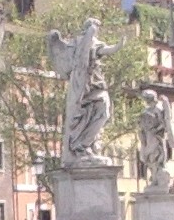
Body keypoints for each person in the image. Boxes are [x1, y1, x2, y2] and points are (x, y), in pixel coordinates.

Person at [47, 18, 124, 165]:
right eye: (97, 27)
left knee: (104, 111)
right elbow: (72, 62)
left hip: (95, 83)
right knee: (91, 112)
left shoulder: (92, 42)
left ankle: (86, 145)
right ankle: (81, 147)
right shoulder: (78, 43)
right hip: (82, 84)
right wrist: (118, 45)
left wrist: (119, 45)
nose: (98, 30)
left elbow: (105, 50)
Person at [137, 89, 174, 191]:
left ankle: (156, 180)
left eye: (146, 98)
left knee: (154, 157)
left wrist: (155, 129)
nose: (145, 101)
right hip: (147, 137)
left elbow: (163, 123)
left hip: (156, 137)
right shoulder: (146, 110)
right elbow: (142, 124)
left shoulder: (158, 109)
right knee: (148, 158)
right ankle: (154, 179)